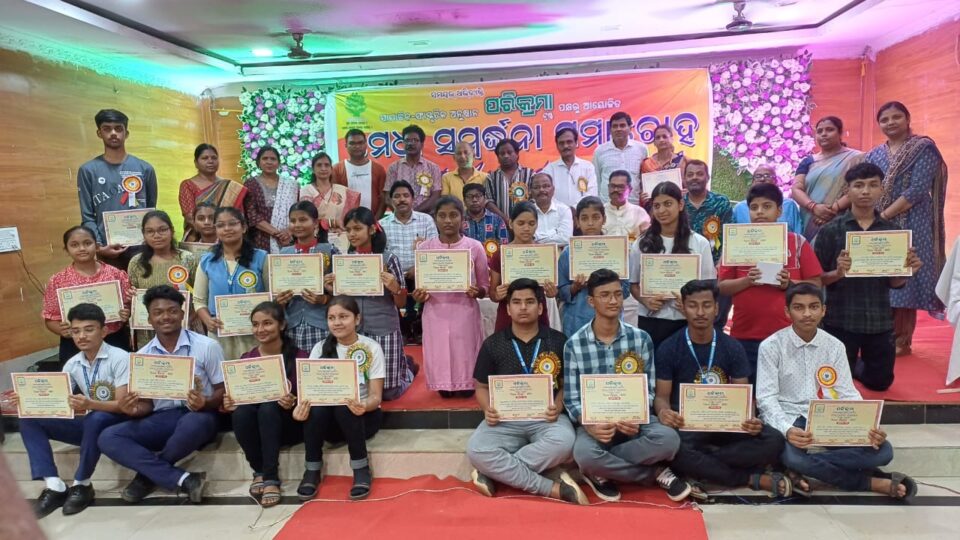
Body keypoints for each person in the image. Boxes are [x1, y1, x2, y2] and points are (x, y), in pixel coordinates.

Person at [757, 283, 917, 500]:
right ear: (787, 312)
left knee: (884, 451)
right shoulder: (771, 346)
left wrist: (867, 426)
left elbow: (846, 392)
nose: (807, 314)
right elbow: (766, 399)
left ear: (824, 310)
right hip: (790, 417)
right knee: (793, 456)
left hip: (830, 419)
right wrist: (787, 430)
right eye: (799, 307)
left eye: (814, 307)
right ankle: (870, 482)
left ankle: (800, 469)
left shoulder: (834, 346)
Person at [564, 269, 691, 502]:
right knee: (584, 454)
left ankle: (602, 468)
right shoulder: (574, 344)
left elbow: (649, 389)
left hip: (635, 420)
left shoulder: (640, 339)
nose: (613, 301)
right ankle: (654, 473)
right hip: (596, 423)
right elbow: (572, 399)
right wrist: (589, 425)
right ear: (591, 301)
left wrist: (637, 415)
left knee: (669, 441)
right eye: (604, 295)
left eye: (617, 294)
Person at [654, 280, 788, 497]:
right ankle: (747, 478)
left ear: (717, 308)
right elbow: (661, 397)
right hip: (688, 424)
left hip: (727, 423)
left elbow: (743, 396)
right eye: (693, 305)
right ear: (683, 308)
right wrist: (663, 412)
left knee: (774, 440)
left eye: (706, 305)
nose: (700, 312)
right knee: (673, 446)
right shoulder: (669, 348)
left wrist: (750, 418)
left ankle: (702, 466)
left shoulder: (732, 346)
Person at [98, 285, 224, 504]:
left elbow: (223, 391)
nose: (166, 317)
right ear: (149, 319)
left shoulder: (207, 346)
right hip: (162, 418)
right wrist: (133, 410)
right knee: (108, 437)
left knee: (192, 423)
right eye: (158, 312)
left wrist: (205, 402)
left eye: (172, 311)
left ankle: (146, 477)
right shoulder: (142, 356)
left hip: (201, 415)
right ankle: (183, 479)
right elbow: (147, 405)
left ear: (182, 315)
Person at [466, 279, 586, 504]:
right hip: (504, 420)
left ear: (540, 308)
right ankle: (549, 487)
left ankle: (494, 473)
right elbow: (481, 387)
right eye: (517, 302)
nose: (523, 307)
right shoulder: (493, 344)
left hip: (547, 419)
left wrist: (558, 404)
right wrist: (487, 408)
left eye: (530, 302)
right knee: (476, 450)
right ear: (508, 309)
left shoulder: (557, 340)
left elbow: (566, 384)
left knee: (565, 443)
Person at [814, 163, 923, 391]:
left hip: (879, 320)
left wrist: (906, 273)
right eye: (859, 185)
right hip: (840, 320)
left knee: (880, 383)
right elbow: (816, 279)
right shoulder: (831, 231)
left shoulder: (893, 233)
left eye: (873, 185)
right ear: (848, 190)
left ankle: (854, 367)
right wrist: (838, 273)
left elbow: (894, 282)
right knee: (834, 384)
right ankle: (848, 366)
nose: (865, 191)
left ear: (881, 189)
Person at [16, 303, 130, 518]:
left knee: (96, 418)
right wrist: (27, 399)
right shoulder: (72, 364)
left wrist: (89, 405)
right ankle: (54, 485)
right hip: (92, 425)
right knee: (29, 418)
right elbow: (57, 401)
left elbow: (123, 405)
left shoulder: (120, 358)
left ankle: (82, 483)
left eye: (89, 329)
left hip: (120, 426)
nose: (82, 336)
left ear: (104, 331)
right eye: (76, 331)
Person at [866, 101, 949, 356]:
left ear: (907, 119)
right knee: (878, 276)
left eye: (896, 117)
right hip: (877, 224)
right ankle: (879, 336)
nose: (890, 122)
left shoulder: (923, 148)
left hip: (912, 221)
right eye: (884, 119)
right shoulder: (874, 155)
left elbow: (917, 189)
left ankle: (901, 339)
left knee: (905, 276)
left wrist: (883, 215)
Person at [718, 183, 823, 381]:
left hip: (790, 335)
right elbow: (722, 287)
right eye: (754, 207)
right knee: (750, 392)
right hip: (745, 335)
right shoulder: (736, 243)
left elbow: (816, 285)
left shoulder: (797, 242)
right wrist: (748, 280)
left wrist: (789, 284)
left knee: (788, 390)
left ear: (779, 211)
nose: (760, 212)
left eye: (767, 206)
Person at [296, 296, 385, 500]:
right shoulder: (319, 348)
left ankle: (361, 468)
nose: (337, 323)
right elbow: (310, 393)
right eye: (332, 318)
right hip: (328, 423)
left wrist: (363, 405)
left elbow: (376, 397)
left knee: (346, 405)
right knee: (316, 408)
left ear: (357, 319)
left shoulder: (371, 347)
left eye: (343, 317)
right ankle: (311, 469)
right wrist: (300, 409)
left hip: (362, 418)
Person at [222, 302, 306, 507]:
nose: (260, 329)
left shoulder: (300, 357)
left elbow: (309, 398)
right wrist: (230, 402)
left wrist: (294, 401)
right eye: (255, 324)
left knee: (269, 408)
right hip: (257, 429)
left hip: (289, 425)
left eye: (267, 323)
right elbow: (239, 398)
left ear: (282, 325)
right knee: (241, 413)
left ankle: (271, 478)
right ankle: (259, 470)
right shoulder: (246, 359)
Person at [328, 207, 414, 400]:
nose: (352, 234)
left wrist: (395, 287)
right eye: (348, 229)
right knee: (359, 389)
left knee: (389, 392)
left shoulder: (388, 259)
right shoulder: (344, 261)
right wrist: (331, 288)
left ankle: (407, 372)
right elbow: (341, 301)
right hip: (354, 329)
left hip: (383, 326)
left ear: (372, 229)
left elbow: (401, 302)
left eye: (357, 228)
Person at [413, 196, 489, 397]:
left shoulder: (475, 247)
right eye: (442, 216)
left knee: (465, 349)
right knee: (439, 350)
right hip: (435, 312)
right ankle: (442, 382)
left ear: (462, 218)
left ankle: (468, 381)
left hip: (465, 311)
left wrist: (477, 291)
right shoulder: (425, 249)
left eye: (453, 215)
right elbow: (420, 287)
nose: (448, 220)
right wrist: (419, 296)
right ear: (435, 219)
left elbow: (485, 286)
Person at [630, 182, 715, 347]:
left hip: (686, 320)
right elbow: (633, 284)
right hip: (651, 319)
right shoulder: (642, 243)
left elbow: (709, 285)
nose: (661, 210)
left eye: (668, 204)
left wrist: (691, 304)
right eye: (657, 206)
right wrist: (645, 300)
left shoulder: (699, 243)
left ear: (680, 205)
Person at [78, 109, 157, 270]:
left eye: (118, 128)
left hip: (141, 247)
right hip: (107, 248)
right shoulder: (88, 170)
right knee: (114, 286)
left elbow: (150, 209)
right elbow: (87, 216)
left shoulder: (145, 168)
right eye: (107, 128)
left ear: (126, 133)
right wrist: (99, 246)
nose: (113, 133)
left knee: (143, 286)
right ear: (99, 133)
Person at [42, 226, 132, 362]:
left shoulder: (115, 274)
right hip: (76, 343)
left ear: (97, 246)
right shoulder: (58, 281)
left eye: (87, 243)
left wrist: (127, 313)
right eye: (74, 245)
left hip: (113, 339)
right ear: (66, 250)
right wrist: (62, 330)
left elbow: (129, 306)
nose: (82, 248)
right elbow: (50, 318)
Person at [193, 207, 269, 360]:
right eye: (221, 225)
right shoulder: (207, 261)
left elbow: (272, 295)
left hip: (255, 333)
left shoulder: (261, 258)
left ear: (244, 227)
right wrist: (207, 320)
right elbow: (199, 300)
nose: (227, 229)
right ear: (216, 230)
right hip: (220, 333)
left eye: (232, 224)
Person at [557, 197, 631, 336]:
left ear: (604, 219)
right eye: (584, 218)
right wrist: (575, 287)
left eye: (596, 217)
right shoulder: (568, 253)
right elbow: (560, 292)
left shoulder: (617, 250)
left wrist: (612, 284)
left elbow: (626, 290)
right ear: (577, 221)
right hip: (576, 321)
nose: (590, 223)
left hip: (611, 321)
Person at [127, 210, 199, 348]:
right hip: (148, 332)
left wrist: (189, 319)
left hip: (186, 327)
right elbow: (133, 297)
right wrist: (132, 297)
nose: (157, 236)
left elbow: (200, 296)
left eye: (162, 230)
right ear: (144, 235)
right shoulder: (136, 263)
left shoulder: (188, 259)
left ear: (172, 231)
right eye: (150, 231)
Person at [379, 180, 439, 344]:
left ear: (413, 199)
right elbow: (381, 254)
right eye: (397, 196)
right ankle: (403, 330)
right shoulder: (382, 225)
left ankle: (420, 328)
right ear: (391, 200)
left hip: (421, 272)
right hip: (394, 275)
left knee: (431, 280)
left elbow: (434, 249)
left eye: (406, 195)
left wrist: (418, 268)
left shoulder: (426, 220)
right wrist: (395, 273)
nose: (402, 200)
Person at [276, 201, 340, 353]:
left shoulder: (329, 251)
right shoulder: (283, 254)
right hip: (292, 324)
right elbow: (277, 290)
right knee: (294, 365)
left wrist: (324, 299)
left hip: (322, 323)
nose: (297, 224)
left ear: (315, 223)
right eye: (293, 221)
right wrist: (280, 301)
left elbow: (343, 292)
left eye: (303, 220)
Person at [791, 116, 864, 241]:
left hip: (841, 219)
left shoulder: (857, 158)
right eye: (819, 131)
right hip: (810, 219)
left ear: (840, 133)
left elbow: (860, 187)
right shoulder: (808, 161)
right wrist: (814, 207)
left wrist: (833, 209)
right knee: (810, 251)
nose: (824, 134)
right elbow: (796, 189)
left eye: (829, 130)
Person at [488, 202, 554, 332]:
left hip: (537, 315)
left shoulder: (545, 252)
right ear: (511, 223)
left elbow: (553, 289)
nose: (526, 228)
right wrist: (497, 294)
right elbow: (492, 294)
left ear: (537, 224)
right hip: (508, 315)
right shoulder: (500, 254)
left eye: (531, 223)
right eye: (521, 223)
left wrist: (552, 292)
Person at [178, 143, 247, 240]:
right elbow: (190, 217)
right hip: (197, 238)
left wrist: (224, 232)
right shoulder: (188, 185)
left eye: (214, 158)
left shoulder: (230, 187)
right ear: (196, 162)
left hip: (227, 236)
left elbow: (238, 216)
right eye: (205, 158)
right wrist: (211, 234)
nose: (210, 161)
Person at [243, 145, 299, 253]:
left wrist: (288, 232)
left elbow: (298, 211)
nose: (269, 162)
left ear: (278, 163)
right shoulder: (251, 184)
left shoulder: (291, 185)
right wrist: (277, 233)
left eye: (273, 159)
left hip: (288, 238)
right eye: (265, 158)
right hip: (260, 238)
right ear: (258, 162)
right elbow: (252, 215)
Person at [683, 159, 732, 266]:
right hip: (684, 264)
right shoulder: (678, 204)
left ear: (708, 177)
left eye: (699, 174)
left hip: (715, 264)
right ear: (684, 179)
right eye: (690, 175)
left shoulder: (721, 202)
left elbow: (730, 236)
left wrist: (721, 264)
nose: (694, 177)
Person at [593, 112, 647, 205]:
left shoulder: (641, 149)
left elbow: (644, 178)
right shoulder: (600, 151)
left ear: (630, 128)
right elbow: (596, 180)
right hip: (607, 205)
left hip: (634, 204)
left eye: (622, 125)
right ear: (610, 130)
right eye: (615, 126)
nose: (618, 129)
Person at [385, 124, 442, 214]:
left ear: (422, 144)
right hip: (401, 218)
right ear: (403, 143)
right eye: (407, 140)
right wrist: (402, 214)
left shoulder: (433, 168)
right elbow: (388, 196)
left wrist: (413, 214)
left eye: (415, 140)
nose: (410, 143)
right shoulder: (394, 167)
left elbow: (436, 196)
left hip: (426, 217)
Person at [733, 164, 803, 235]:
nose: (762, 179)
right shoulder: (739, 208)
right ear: (752, 182)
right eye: (758, 176)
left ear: (776, 181)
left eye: (767, 176)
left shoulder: (789, 205)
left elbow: (798, 234)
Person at [299, 152, 360, 231]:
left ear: (331, 169)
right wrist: (331, 222)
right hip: (315, 235)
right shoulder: (306, 190)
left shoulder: (343, 190)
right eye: (319, 165)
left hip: (341, 234)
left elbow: (353, 216)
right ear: (313, 170)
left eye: (327, 165)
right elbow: (305, 218)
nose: (323, 168)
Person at [334, 129, 387, 216]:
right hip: (347, 221)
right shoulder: (337, 169)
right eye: (352, 143)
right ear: (346, 145)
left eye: (360, 143)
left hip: (372, 221)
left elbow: (383, 198)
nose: (357, 146)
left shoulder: (379, 169)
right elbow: (335, 199)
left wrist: (376, 220)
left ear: (366, 144)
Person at [542, 127, 598, 208]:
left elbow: (591, 194)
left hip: (582, 212)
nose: (565, 146)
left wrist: (575, 209)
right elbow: (547, 195)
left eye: (569, 142)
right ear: (557, 146)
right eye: (561, 143)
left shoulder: (587, 167)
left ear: (576, 143)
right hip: (558, 213)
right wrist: (565, 211)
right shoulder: (549, 170)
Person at [484, 138, 537, 221]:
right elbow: (488, 202)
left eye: (509, 152)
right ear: (497, 157)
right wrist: (505, 219)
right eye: (502, 153)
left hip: (525, 223)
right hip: (500, 225)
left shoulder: (530, 174)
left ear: (517, 154)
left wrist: (520, 220)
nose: (506, 156)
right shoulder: (491, 177)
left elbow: (534, 199)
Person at [462, 183, 509, 257]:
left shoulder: (497, 220)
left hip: (492, 262)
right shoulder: (459, 221)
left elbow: (504, 247)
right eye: (470, 197)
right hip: (466, 262)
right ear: (464, 201)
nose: (474, 200)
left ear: (485, 199)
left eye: (478, 196)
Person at [602, 169, 650, 242]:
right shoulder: (600, 211)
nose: (615, 190)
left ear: (630, 189)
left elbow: (647, 238)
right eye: (612, 186)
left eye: (620, 187)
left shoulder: (639, 212)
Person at [530, 172, 574, 247]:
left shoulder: (564, 210)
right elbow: (527, 238)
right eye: (536, 187)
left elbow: (566, 239)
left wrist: (538, 241)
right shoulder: (527, 212)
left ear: (553, 189)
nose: (541, 190)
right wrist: (554, 235)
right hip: (534, 252)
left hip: (560, 252)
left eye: (545, 186)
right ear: (531, 191)